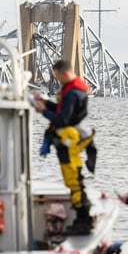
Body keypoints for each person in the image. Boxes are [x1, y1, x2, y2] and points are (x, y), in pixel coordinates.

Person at [33, 59, 97, 235]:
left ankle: (83, 221)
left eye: (57, 76)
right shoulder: (74, 89)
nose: (58, 80)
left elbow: (63, 119)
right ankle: (84, 217)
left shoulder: (72, 93)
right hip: (71, 139)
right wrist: (45, 103)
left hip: (69, 142)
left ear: (64, 73)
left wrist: (42, 111)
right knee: (75, 180)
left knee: (73, 182)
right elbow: (62, 111)